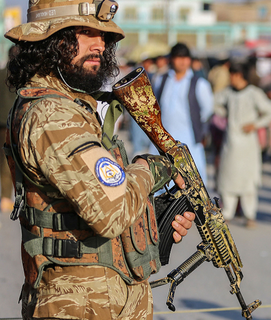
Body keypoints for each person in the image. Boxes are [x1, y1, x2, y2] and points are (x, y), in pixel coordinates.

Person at [3, 1, 195, 318]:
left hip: (108, 296)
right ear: (50, 41)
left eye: (103, 35)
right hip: (78, 304)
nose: (100, 44)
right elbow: (112, 213)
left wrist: (153, 216)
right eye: (85, 32)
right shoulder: (52, 114)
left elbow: (103, 199)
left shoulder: (75, 105)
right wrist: (148, 169)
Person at [215, 62, 271, 228]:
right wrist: (225, 114)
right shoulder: (227, 93)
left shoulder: (254, 93)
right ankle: (227, 213)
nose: (231, 78)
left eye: (233, 74)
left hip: (248, 144)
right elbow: (215, 103)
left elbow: (269, 112)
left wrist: (255, 124)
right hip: (230, 143)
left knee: (248, 181)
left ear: (239, 75)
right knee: (228, 179)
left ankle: (250, 215)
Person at [153, 43, 213, 180]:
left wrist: (199, 126)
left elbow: (207, 110)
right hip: (165, 140)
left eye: (185, 57)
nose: (182, 61)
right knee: (163, 180)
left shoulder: (199, 83)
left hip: (190, 140)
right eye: (178, 57)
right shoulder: (161, 80)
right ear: (171, 59)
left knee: (193, 180)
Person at [0, 47, 17, 213]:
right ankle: (5, 199)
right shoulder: (18, 78)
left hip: (0, 121)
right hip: (12, 122)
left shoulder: (0, 74)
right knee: (7, 161)